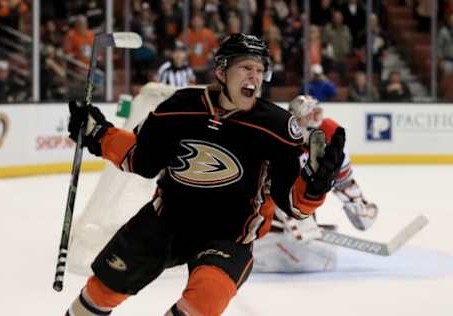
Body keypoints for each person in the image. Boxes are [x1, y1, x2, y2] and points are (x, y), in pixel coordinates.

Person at [65, 33, 345, 316]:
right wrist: (100, 135)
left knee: (203, 301)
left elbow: (293, 204)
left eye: (260, 70)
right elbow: (143, 159)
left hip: (229, 235)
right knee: (100, 293)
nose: (255, 76)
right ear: (221, 70)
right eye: (246, 67)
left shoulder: (277, 127)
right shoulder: (179, 107)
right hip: (165, 223)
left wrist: (314, 187)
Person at [254, 95, 378, 274]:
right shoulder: (279, 140)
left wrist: (358, 206)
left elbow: (343, 180)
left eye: (317, 114)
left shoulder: (330, 135)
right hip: (271, 207)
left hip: (303, 201)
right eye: (310, 115)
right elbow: (269, 186)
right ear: (295, 119)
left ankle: (299, 224)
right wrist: (292, 217)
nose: (316, 120)